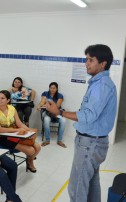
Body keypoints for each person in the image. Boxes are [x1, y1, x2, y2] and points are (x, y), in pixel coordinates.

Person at [46, 44, 117, 202]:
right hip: (95, 142)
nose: (86, 63)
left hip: (90, 144)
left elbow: (89, 115)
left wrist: (60, 112)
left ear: (103, 63)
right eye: (86, 59)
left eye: (91, 60)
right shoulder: (100, 83)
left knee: (77, 188)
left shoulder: (101, 86)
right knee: (91, 185)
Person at [0, 90, 41, 173]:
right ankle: (30, 161)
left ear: (8, 100)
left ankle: (29, 161)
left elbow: (20, 124)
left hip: (16, 135)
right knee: (31, 150)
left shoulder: (12, 108)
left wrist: (29, 130)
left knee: (38, 147)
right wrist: (17, 130)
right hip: (4, 138)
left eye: (2, 98)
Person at [36, 82, 67, 148]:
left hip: (56, 113)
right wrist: (39, 106)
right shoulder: (45, 93)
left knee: (63, 120)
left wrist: (47, 104)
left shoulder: (60, 95)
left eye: (54, 88)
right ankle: (47, 140)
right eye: (51, 88)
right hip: (47, 113)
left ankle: (59, 140)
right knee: (46, 120)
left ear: (57, 89)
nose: (52, 89)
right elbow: (42, 102)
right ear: (49, 88)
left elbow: (57, 106)